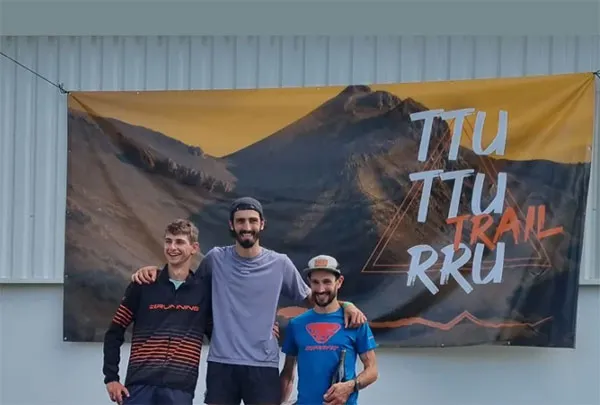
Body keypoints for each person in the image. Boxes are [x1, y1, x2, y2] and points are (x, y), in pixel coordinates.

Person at [130, 196, 367, 405]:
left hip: (263, 365)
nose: (247, 227)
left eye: (252, 221)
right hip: (222, 363)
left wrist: (346, 305)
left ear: (262, 224)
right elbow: (187, 286)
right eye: (241, 221)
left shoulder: (280, 263)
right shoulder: (215, 259)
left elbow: (313, 298)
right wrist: (156, 271)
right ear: (231, 225)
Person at [102, 219, 212, 405]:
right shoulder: (143, 285)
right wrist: (111, 378)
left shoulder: (203, 292)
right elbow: (115, 332)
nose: (172, 247)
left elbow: (219, 338)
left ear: (194, 248)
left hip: (179, 391)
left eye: (179, 242)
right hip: (138, 388)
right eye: (168, 241)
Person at [280, 254, 379, 405]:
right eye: (315, 282)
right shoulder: (296, 324)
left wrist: (350, 386)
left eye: (327, 282)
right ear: (309, 283)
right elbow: (288, 374)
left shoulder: (355, 321)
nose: (321, 289)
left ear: (339, 282)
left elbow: (372, 370)